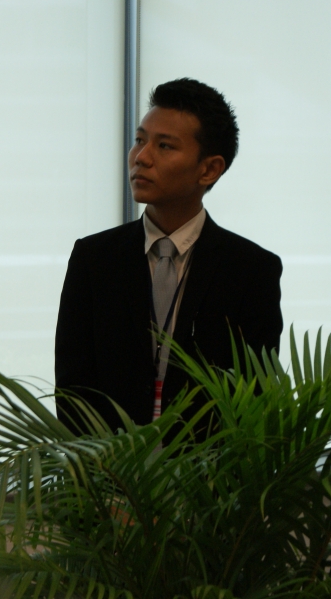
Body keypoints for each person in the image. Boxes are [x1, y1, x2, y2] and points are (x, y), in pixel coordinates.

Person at [55, 78, 283, 433]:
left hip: (206, 466)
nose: (141, 157)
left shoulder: (251, 270)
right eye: (139, 140)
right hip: (112, 463)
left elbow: (252, 395)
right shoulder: (94, 258)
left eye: (164, 146)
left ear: (209, 169)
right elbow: (73, 391)